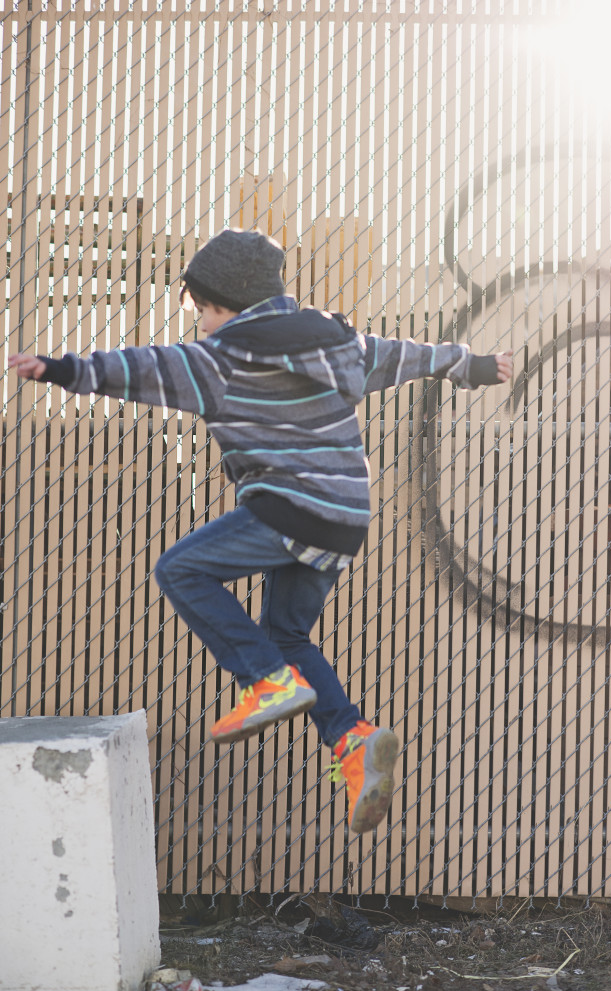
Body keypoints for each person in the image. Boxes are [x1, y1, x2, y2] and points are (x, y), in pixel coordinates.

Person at [10, 227, 513, 835]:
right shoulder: (339, 343)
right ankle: (352, 740)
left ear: (226, 302)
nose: (199, 324)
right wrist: (476, 366)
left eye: (202, 311)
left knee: (181, 569)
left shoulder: (222, 359)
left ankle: (265, 682)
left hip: (290, 507)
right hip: (347, 515)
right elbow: (408, 356)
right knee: (288, 634)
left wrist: (61, 369)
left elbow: (143, 369)